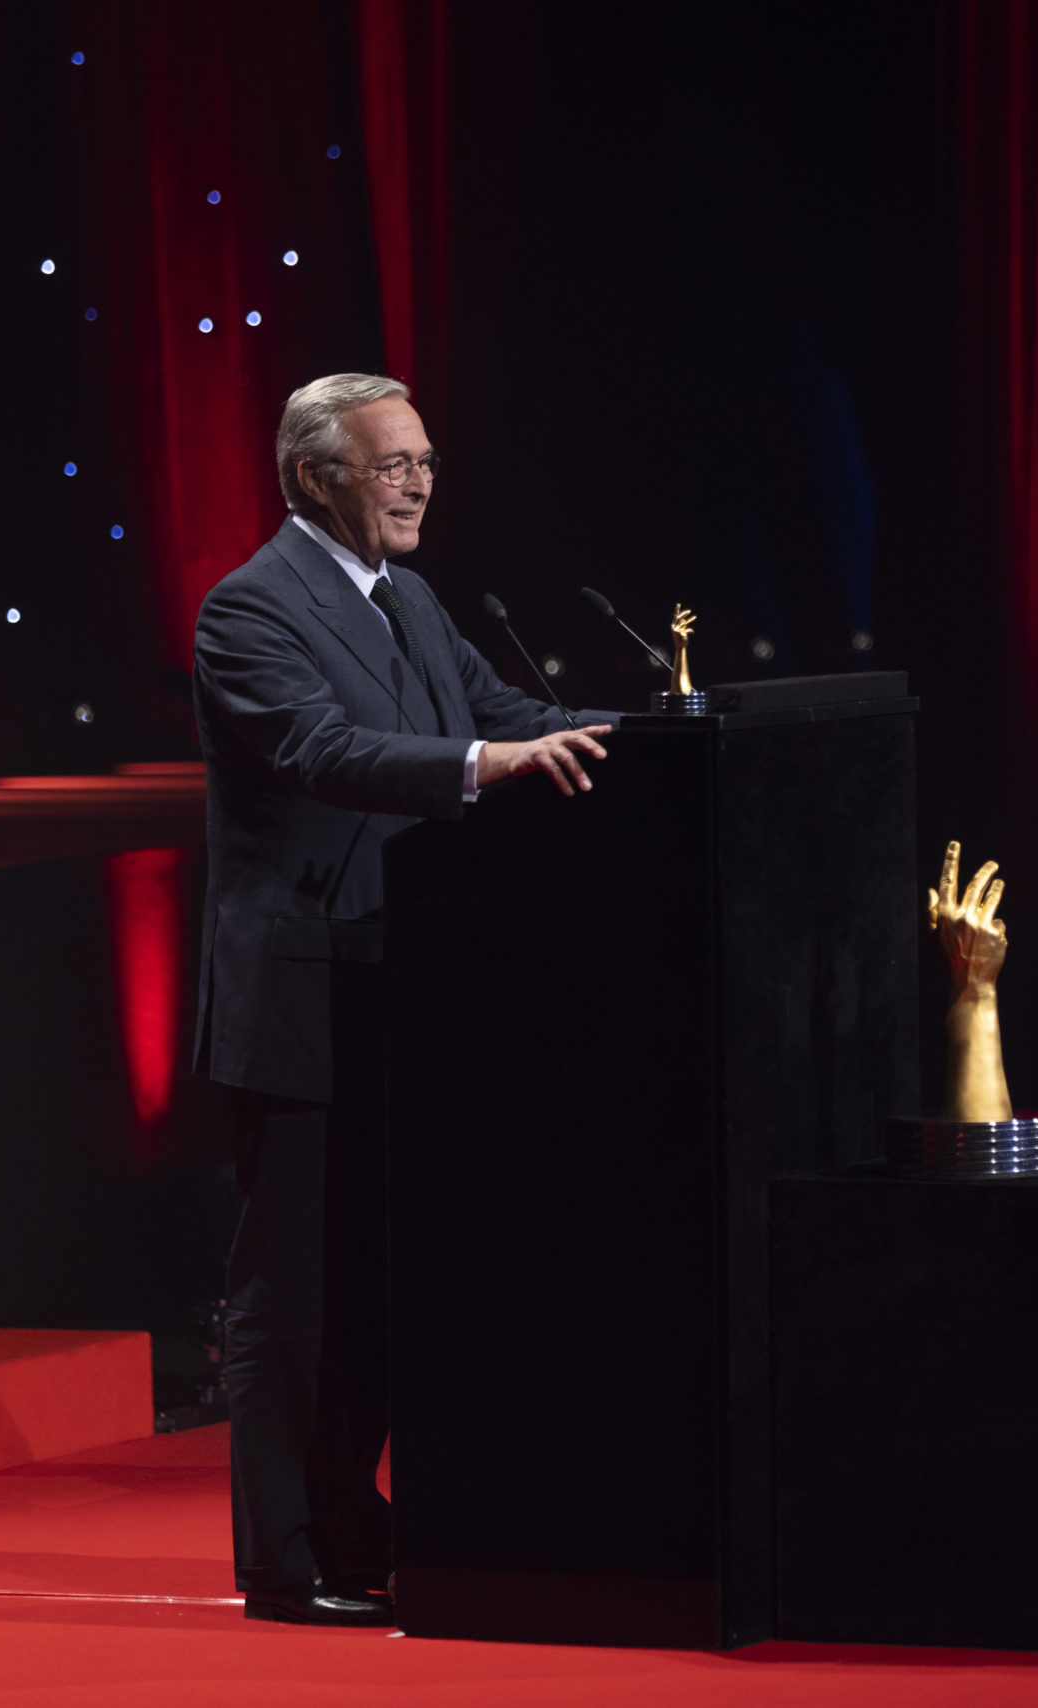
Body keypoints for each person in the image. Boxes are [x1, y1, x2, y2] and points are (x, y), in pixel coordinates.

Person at [192, 373, 614, 1623]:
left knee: (380, 1286)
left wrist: (659, 739)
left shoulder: (416, 601)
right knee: (293, 1294)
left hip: (409, 993)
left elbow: (510, 716)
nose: (420, 481)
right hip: (300, 996)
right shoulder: (248, 609)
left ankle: (356, 1530)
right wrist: (497, 761)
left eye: (425, 460)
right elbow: (329, 751)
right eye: (393, 465)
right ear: (318, 475)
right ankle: (284, 1557)